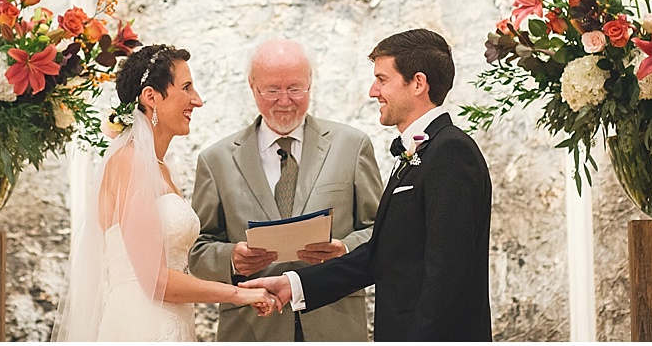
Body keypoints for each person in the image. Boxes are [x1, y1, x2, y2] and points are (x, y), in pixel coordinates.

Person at [241, 29, 493, 341]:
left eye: (382, 79)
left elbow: (449, 274)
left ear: (417, 83)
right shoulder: (423, 150)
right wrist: (293, 284)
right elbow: (380, 255)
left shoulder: (451, 152)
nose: (373, 91)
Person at [51, 44, 280, 342]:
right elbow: (156, 280)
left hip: (172, 321)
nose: (196, 100)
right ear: (151, 97)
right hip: (142, 325)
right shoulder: (129, 162)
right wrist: (238, 294)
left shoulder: (160, 168)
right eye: (186, 87)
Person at [189, 38, 383, 341]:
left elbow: (382, 232)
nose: (284, 100)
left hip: (335, 324)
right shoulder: (216, 160)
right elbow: (197, 250)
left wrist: (343, 249)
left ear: (310, 84)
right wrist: (230, 258)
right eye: (271, 90)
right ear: (252, 87)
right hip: (251, 328)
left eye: (295, 88)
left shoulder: (352, 146)